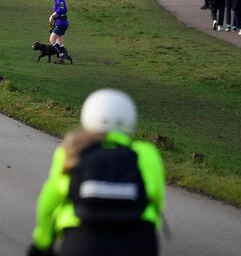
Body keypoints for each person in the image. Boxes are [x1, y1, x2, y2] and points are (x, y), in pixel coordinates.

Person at [27, 89, 165, 256]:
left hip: (83, 241)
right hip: (138, 241)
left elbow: (49, 202)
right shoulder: (146, 153)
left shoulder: (71, 151)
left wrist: (43, 242)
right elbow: (156, 198)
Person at [49, 0, 69, 64]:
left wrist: (52, 16)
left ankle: (62, 55)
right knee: (59, 41)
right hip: (61, 23)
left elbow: (62, 9)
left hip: (61, 23)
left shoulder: (59, 0)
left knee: (52, 40)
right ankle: (64, 57)